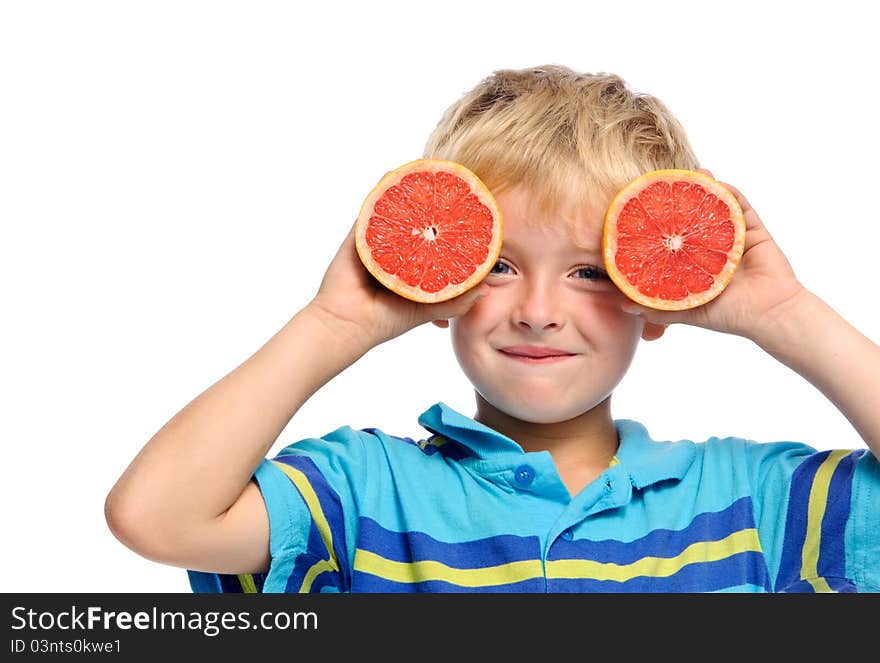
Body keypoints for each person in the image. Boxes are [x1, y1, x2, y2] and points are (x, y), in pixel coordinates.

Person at [105, 65, 880, 593]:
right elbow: (156, 517)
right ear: (442, 281)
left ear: (657, 297)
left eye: (589, 271)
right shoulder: (361, 489)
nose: (537, 309)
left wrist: (786, 316)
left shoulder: (749, 502)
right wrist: (334, 322)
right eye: (500, 265)